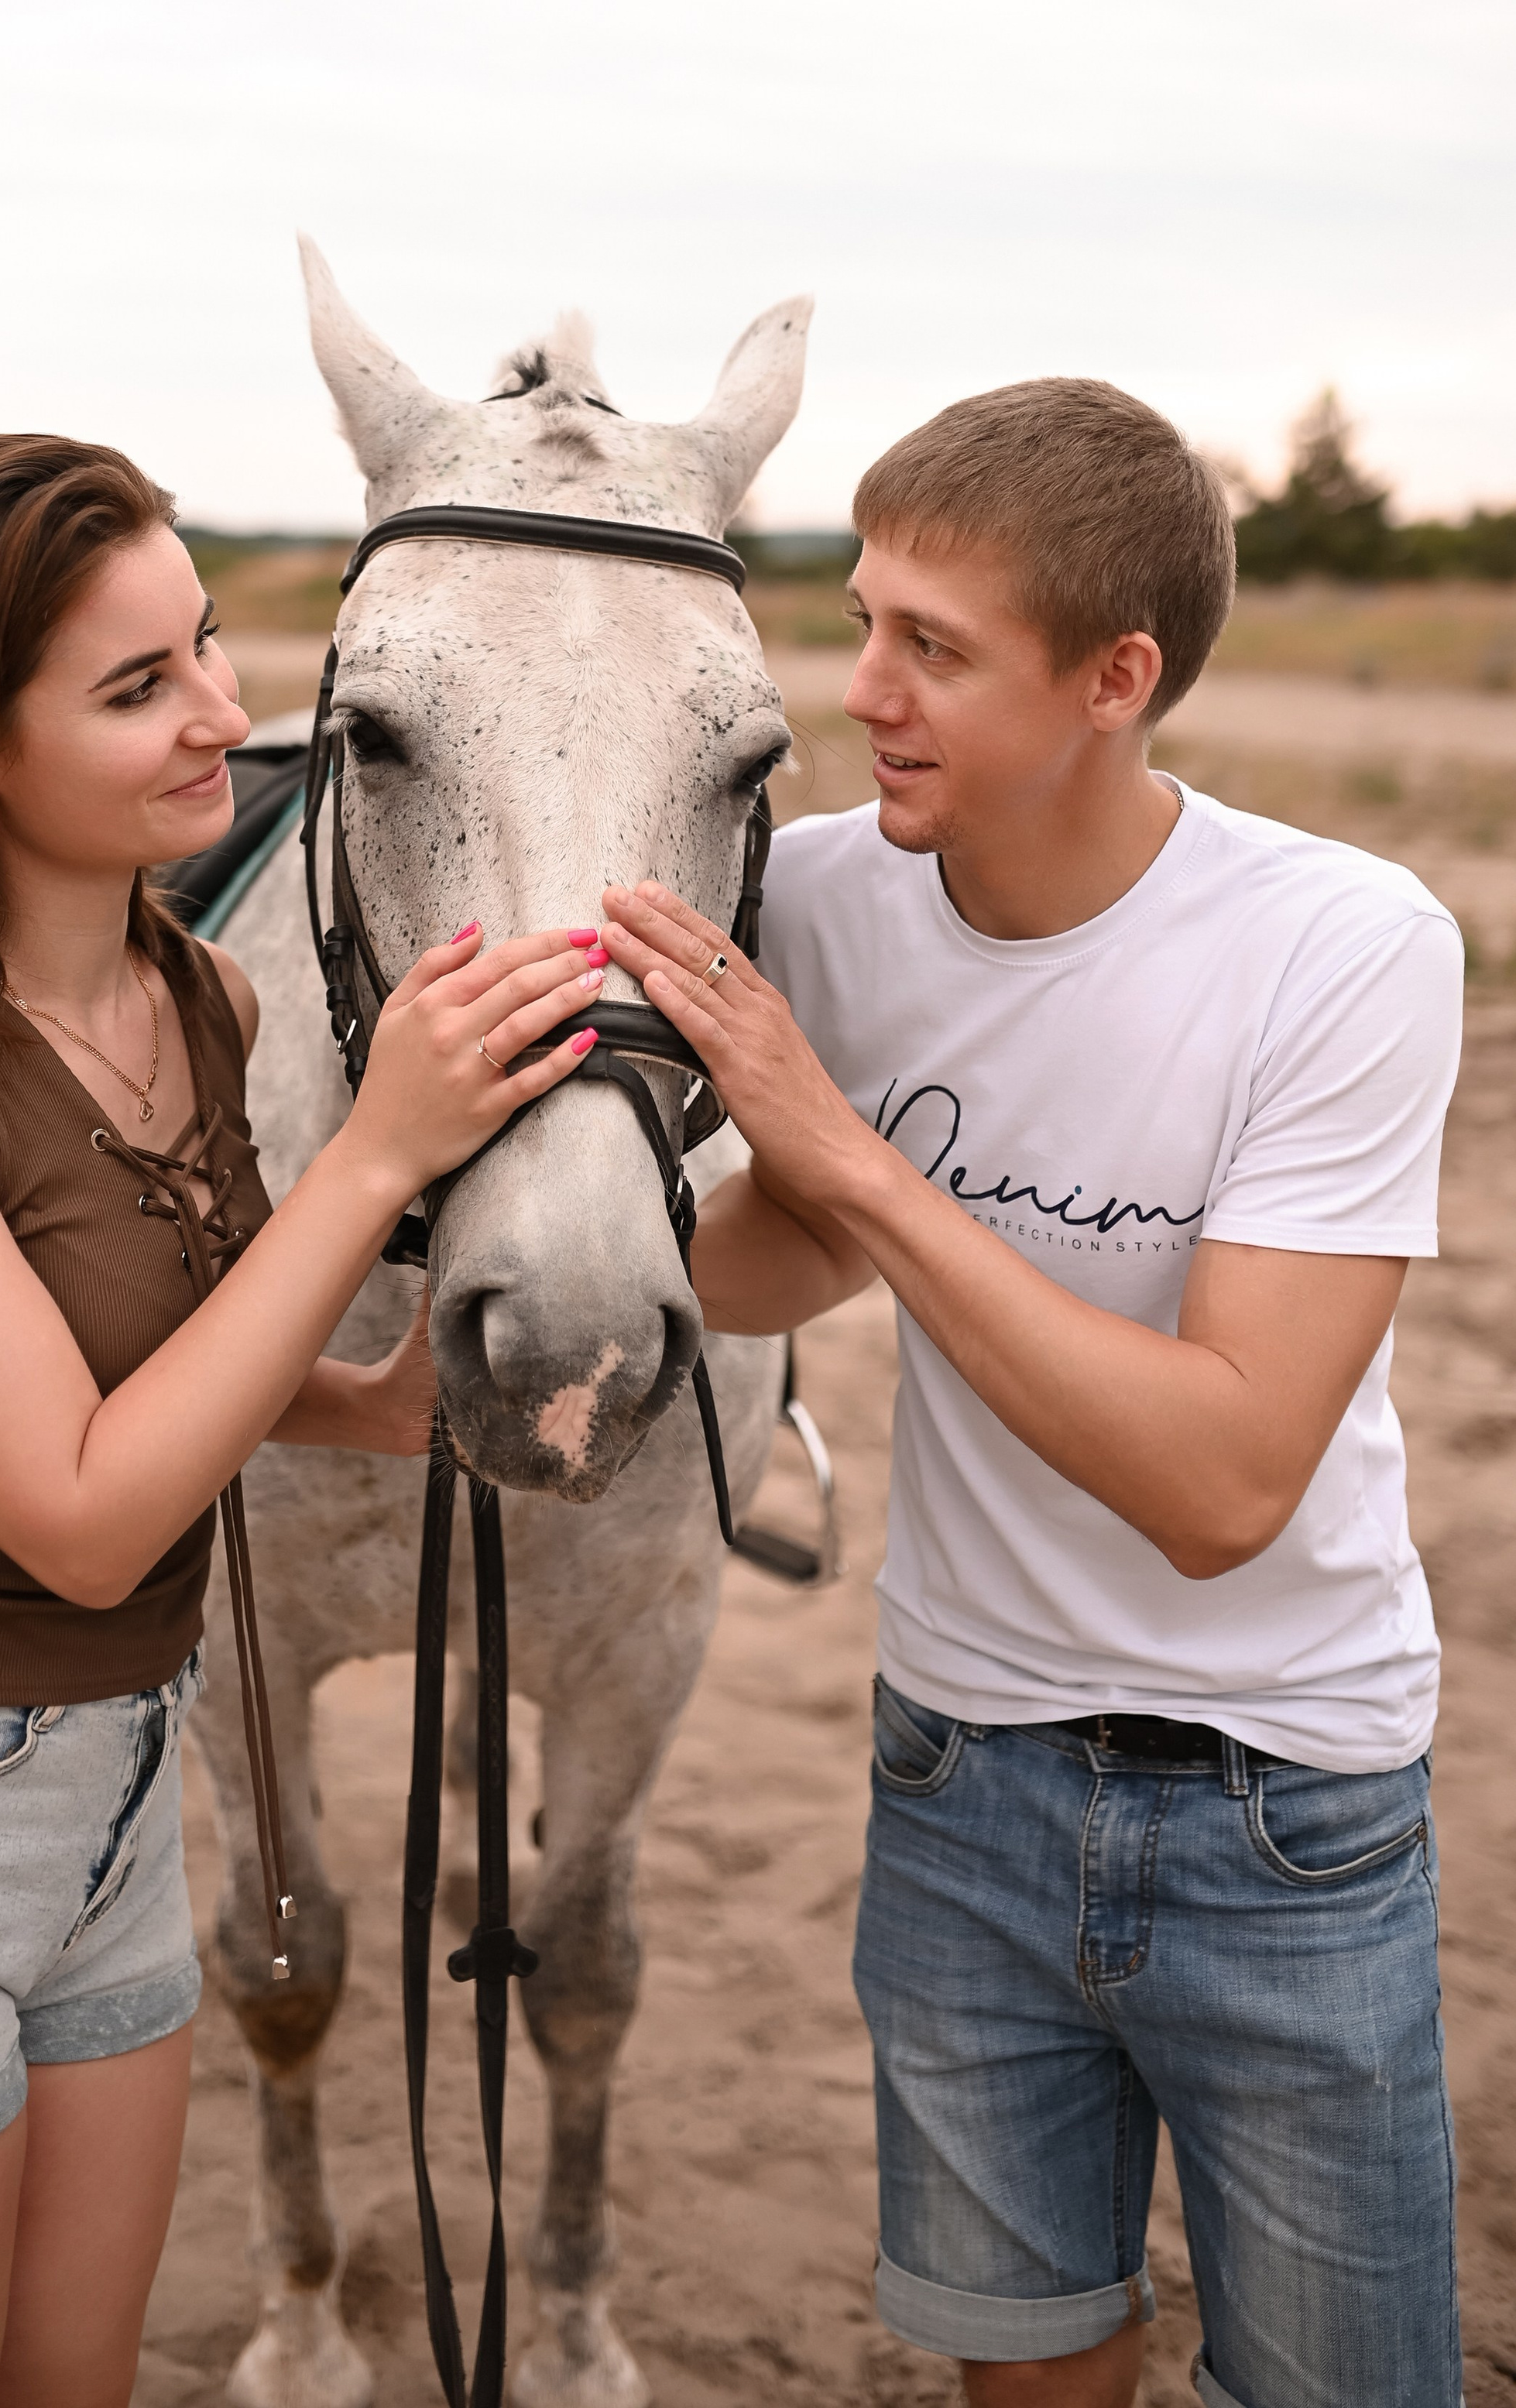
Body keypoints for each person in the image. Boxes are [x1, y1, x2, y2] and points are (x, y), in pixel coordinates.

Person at [0, 432, 609, 2408]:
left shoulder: (196, 999)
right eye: (136, 686)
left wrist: (380, 1403)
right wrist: (372, 1162)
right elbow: (76, 1514)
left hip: (116, 1822)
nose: (225, 722)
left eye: (214, 650)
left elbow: (163, 1386)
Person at [599, 378, 1463, 2408]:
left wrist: (853, 1157)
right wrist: (563, 1215)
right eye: (862, 620)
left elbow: (1228, 1476)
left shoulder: (1344, 950)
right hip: (956, 1782)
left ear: (1115, 677)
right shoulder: (817, 896)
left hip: (1287, 1804)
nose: (866, 689)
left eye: (935, 647)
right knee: (1031, 2367)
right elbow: (785, 1254)